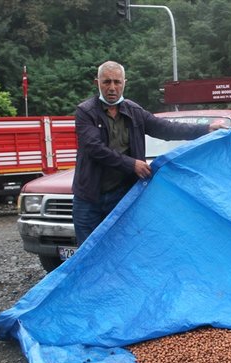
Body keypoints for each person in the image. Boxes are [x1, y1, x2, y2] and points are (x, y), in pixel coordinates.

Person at [72, 61, 222, 246]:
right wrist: (131, 164)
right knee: (86, 254)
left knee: (120, 250)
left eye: (117, 82)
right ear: (97, 83)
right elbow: (94, 148)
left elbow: (166, 128)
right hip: (89, 199)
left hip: (121, 196)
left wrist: (206, 129)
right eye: (107, 82)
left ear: (124, 83)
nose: (112, 88)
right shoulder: (85, 112)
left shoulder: (134, 111)